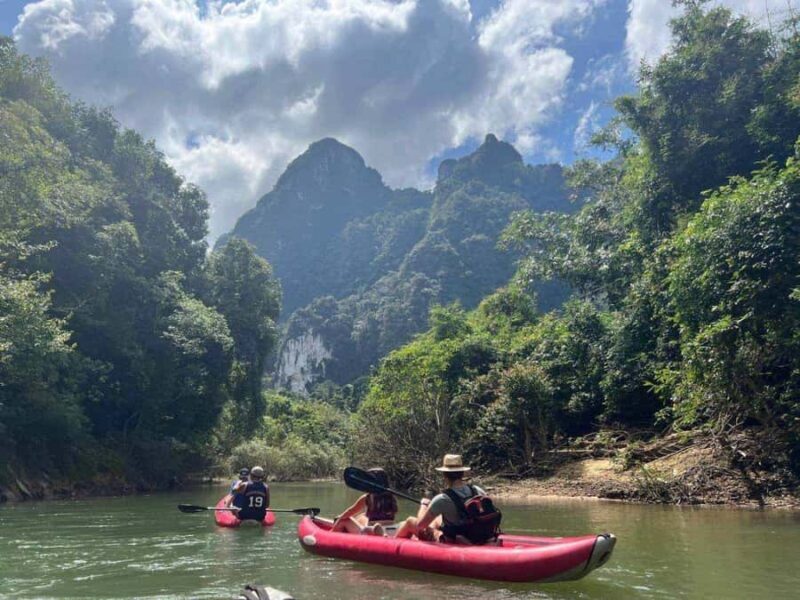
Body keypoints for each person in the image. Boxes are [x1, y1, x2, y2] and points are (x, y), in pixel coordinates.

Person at [395, 454, 501, 544]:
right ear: (462, 474)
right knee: (437, 520)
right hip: (479, 535)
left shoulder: (441, 499)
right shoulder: (477, 490)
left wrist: (423, 506)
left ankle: (392, 544)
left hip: (456, 540)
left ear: (445, 476)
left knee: (410, 521)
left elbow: (421, 526)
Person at [332, 468, 398, 536]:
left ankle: (330, 536)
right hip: (390, 529)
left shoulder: (368, 497)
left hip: (372, 529)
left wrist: (339, 518)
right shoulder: (391, 496)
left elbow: (350, 511)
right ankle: (382, 533)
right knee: (362, 516)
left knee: (343, 520)